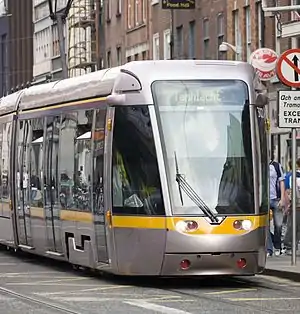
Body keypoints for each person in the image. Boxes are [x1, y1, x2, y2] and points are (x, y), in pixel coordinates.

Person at [267, 158, 285, 256]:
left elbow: (281, 182)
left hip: (276, 199)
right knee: (266, 226)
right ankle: (269, 249)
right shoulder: (259, 165)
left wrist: (282, 198)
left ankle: (277, 246)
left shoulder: (276, 166)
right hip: (264, 200)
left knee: (278, 225)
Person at [283, 158, 300, 255]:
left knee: (293, 226)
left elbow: (287, 191)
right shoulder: (292, 176)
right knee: (293, 226)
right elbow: (289, 191)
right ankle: (290, 246)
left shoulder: (291, 176)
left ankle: (291, 246)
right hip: (295, 205)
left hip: (295, 204)